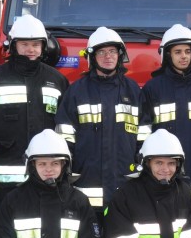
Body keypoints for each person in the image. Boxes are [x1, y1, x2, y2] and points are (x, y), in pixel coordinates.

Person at [0, 14, 69, 212]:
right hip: (6, 180)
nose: (30, 50)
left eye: (36, 44)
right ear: (13, 46)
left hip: (48, 176)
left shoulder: (56, 80)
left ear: (44, 47)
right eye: (25, 44)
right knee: (5, 229)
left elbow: (67, 125)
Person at [56, 27, 145, 217]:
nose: (108, 56)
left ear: (120, 55)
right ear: (92, 57)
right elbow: (64, 136)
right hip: (87, 179)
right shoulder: (76, 91)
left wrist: (140, 164)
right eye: (102, 52)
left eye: (112, 51)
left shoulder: (133, 91)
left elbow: (144, 133)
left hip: (125, 179)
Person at [140, 24, 191, 223]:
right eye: (178, 52)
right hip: (163, 168)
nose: (184, 56)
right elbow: (143, 131)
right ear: (167, 55)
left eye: (188, 51)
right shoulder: (153, 88)